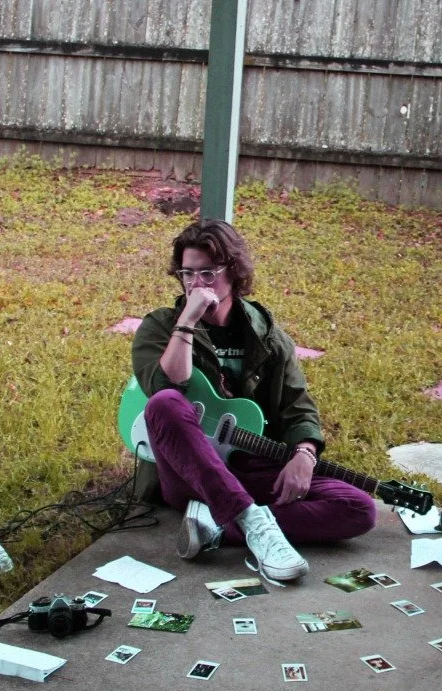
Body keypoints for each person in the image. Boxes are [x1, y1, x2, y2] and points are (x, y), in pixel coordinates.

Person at [131, 219, 376, 582]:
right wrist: (187, 321)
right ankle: (252, 521)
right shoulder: (160, 326)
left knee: (359, 508)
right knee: (164, 402)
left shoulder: (267, 336)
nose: (197, 283)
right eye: (187, 273)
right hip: (190, 474)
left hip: (251, 466)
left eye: (208, 273)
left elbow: (298, 406)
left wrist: (304, 454)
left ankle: (217, 527)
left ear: (234, 272)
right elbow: (168, 383)